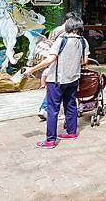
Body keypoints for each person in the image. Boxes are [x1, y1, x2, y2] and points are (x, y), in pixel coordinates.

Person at [24, 16, 89, 149]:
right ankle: (71, 132)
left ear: (68, 26)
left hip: (56, 80)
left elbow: (50, 59)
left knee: (53, 109)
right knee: (71, 106)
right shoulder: (83, 41)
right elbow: (84, 61)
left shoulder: (61, 40)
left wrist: (31, 70)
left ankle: (50, 140)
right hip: (73, 79)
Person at [37, 12, 82, 120]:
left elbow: (49, 43)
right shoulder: (67, 33)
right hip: (61, 63)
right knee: (61, 91)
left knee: (53, 89)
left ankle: (44, 108)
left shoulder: (55, 30)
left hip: (53, 60)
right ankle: (47, 110)